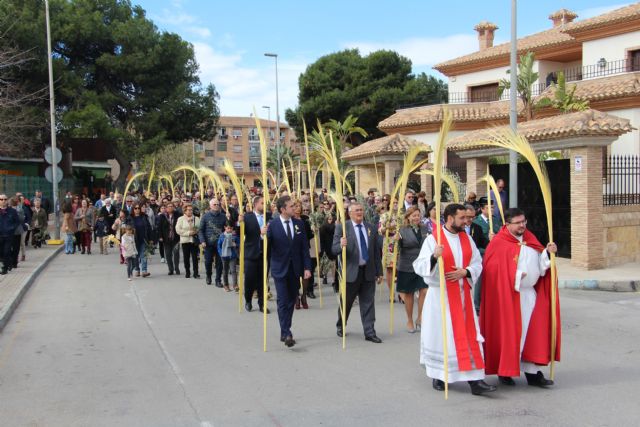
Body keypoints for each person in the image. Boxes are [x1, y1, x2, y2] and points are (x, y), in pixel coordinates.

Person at [413, 203, 496, 396]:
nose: (466, 221)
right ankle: (440, 375)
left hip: (463, 296)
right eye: (462, 218)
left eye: (468, 218)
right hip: (440, 298)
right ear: (450, 218)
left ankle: (476, 381)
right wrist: (434, 257)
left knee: (469, 338)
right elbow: (419, 265)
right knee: (445, 338)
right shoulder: (433, 239)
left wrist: (465, 271)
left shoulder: (466, 238)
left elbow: (477, 262)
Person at [480, 207, 560, 388]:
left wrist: (548, 253)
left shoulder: (530, 239)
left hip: (530, 296)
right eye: (518, 223)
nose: (523, 225)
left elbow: (542, 265)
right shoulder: (498, 242)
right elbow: (491, 270)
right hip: (509, 297)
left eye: (524, 221)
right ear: (507, 224)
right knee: (510, 335)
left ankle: (533, 373)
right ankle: (505, 371)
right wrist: (514, 276)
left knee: (532, 334)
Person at [333, 202, 383, 343]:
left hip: (368, 271)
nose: (360, 212)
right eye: (356, 210)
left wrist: (379, 271)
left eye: (361, 210)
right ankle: (341, 325)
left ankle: (369, 332)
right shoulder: (342, 228)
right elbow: (334, 249)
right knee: (346, 302)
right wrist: (341, 245)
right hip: (351, 272)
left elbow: (375, 253)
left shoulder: (371, 228)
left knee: (368, 303)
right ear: (350, 213)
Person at [266, 196, 312, 348]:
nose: (295, 208)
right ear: (283, 209)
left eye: (295, 205)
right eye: (292, 206)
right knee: (282, 300)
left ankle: (284, 329)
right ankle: (287, 332)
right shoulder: (272, 225)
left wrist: (307, 268)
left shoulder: (299, 224)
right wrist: (262, 236)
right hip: (280, 268)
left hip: (295, 269)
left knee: (292, 299)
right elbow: (266, 249)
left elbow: (305, 248)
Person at [395, 206, 429, 333]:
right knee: (408, 293)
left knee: (424, 291)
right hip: (407, 265)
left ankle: (420, 317)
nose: (416, 218)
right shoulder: (402, 230)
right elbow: (396, 248)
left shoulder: (425, 229)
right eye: (414, 215)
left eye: (418, 215)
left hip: (423, 264)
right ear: (408, 217)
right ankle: (409, 320)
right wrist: (396, 241)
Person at [238, 196, 270, 312]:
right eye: (262, 203)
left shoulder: (269, 216)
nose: (264, 205)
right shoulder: (248, 217)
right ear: (256, 204)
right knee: (250, 280)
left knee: (262, 281)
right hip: (250, 254)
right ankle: (248, 300)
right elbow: (239, 233)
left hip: (264, 254)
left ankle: (262, 304)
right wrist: (239, 223)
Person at [199, 198, 227, 286]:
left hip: (220, 243)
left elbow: (227, 228)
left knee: (219, 263)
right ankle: (208, 276)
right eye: (214, 204)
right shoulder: (205, 216)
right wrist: (202, 241)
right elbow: (200, 230)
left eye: (217, 204)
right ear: (210, 206)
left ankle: (218, 280)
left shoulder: (223, 216)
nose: (216, 206)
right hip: (208, 243)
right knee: (208, 261)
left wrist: (229, 220)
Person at [176, 204, 200, 279]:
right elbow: (178, 230)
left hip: (194, 241)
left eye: (191, 210)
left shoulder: (196, 218)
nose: (190, 211)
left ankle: (196, 273)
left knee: (195, 258)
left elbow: (199, 227)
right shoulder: (181, 219)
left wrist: (196, 231)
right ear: (185, 211)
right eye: (189, 210)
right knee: (186, 257)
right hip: (185, 241)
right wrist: (188, 233)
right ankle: (187, 272)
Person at [158, 203, 181, 275]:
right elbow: (159, 227)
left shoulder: (178, 215)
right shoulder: (162, 216)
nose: (170, 208)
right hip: (166, 238)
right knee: (168, 254)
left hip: (176, 237)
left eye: (172, 206)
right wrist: (160, 236)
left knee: (176, 253)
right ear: (166, 208)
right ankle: (170, 269)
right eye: (169, 206)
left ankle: (176, 268)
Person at [130, 203, 152, 277]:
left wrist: (150, 238)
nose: (137, 210)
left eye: (138, 208)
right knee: (136, 255)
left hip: (143, 238)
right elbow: (126, 229)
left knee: (143, 255)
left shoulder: (144, 217)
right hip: (134, 240)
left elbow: (149, 228)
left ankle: (144, 271)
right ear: (133, 209)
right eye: (135, 208)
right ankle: (137, 270)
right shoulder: (130, 218)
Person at [217, 221, 239, 292]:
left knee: (233, 271)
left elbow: (239, 243)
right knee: (225, 271)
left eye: (231, 228)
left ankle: (235, 285)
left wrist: (236, 244)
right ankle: (226, 285)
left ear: (232, 228)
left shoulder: (234, 236)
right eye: (228, 228)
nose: (229, 230)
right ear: (225, 228)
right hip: (224, 256)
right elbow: (219, 246)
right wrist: (221, 253)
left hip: (232, 256)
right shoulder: (222, 236)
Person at [0, 194, 19, 274]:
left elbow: (17, 222)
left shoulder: (12, 211)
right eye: (1, 199)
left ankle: (5, 268)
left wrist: (11, 228)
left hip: (9, 235)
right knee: (1, 252)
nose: (3, 201)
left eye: (5, 199)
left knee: (6, 251)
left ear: (7, 200)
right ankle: (9, 262)